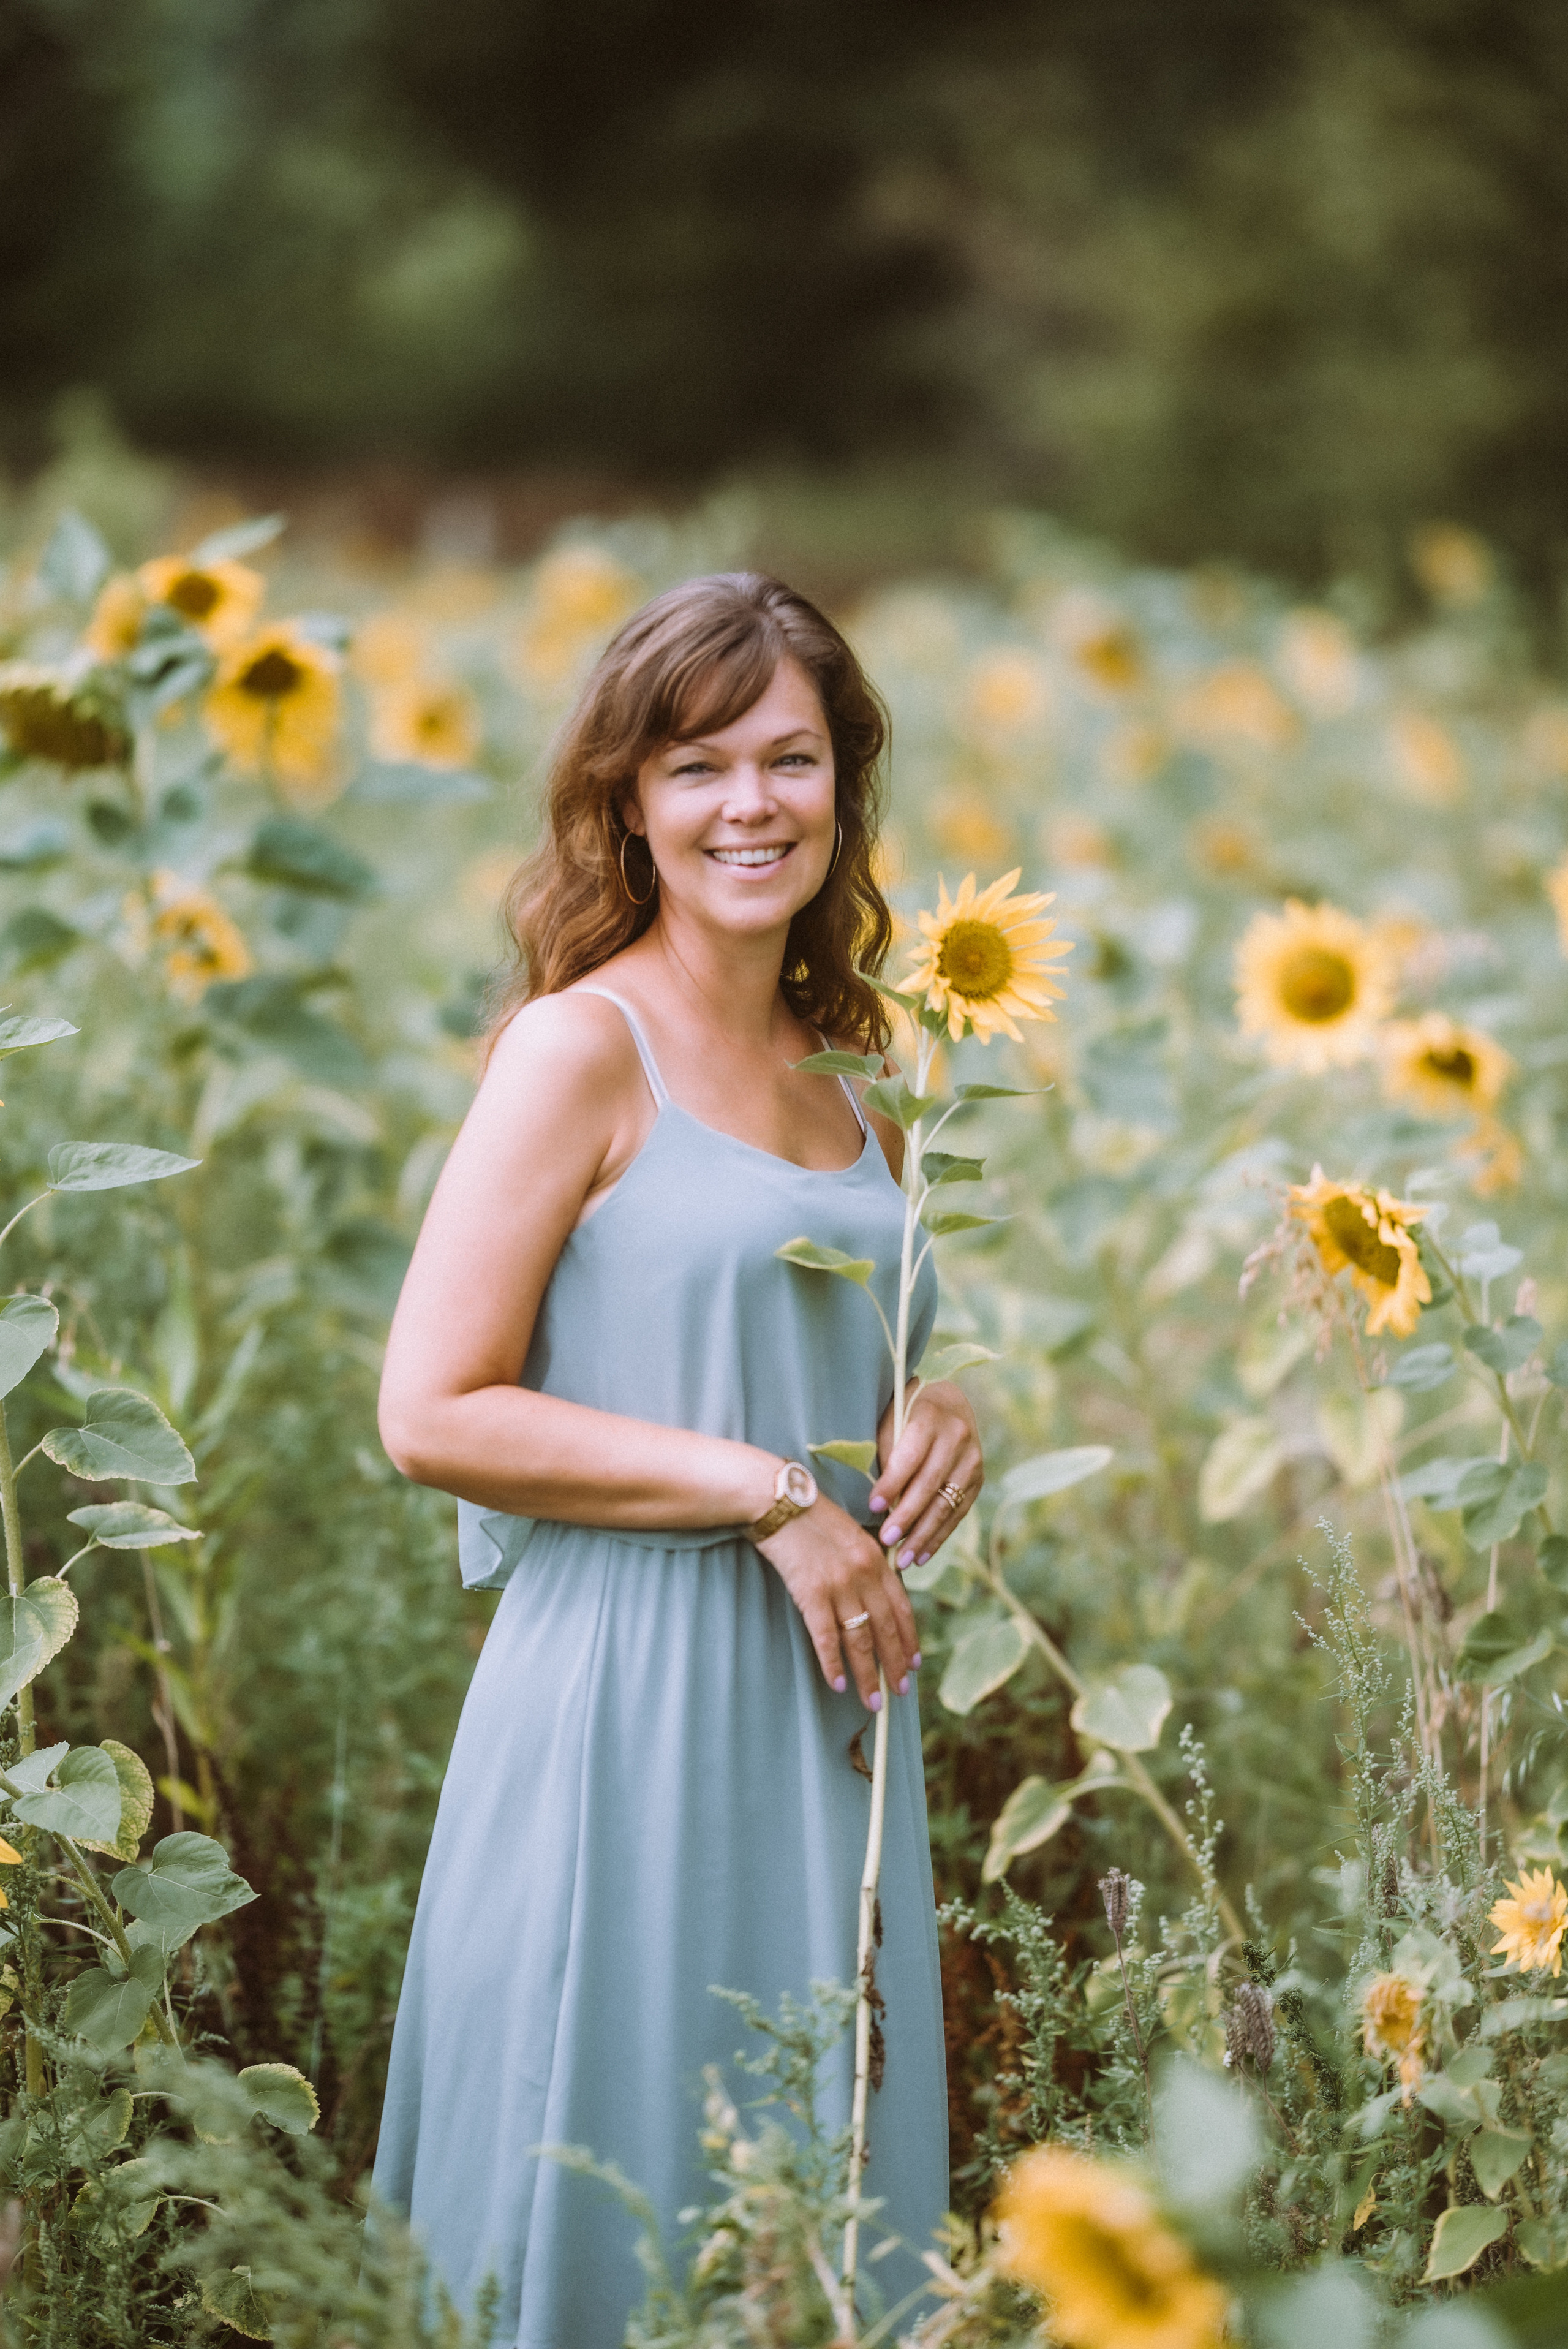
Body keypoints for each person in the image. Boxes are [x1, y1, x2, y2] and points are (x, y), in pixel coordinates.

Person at [372, 572, 983, 2348]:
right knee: (605, 2166)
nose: (751, 805)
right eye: (700, 763)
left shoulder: (867, 1076)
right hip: (622, 1703)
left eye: (791, 759)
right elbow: (435, 1409)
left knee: (815, 2181)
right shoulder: (581, 1048)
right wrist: (773, 1495)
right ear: (628, 799)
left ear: (842, 790)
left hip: (833, 1720)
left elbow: (870, 1346)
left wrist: (950, 1399)